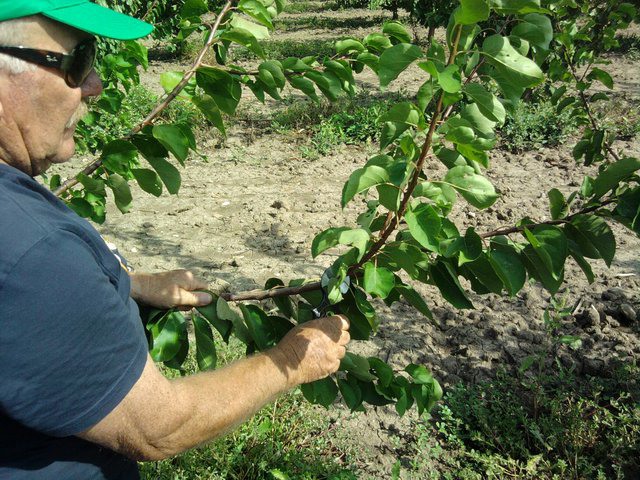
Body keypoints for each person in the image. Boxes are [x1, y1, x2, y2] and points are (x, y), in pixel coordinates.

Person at [0, 2, 350, 478]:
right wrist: (292, 359)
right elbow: (157, 428)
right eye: (77, 62)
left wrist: (130, 283)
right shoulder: (35, 253)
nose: (95, 85)